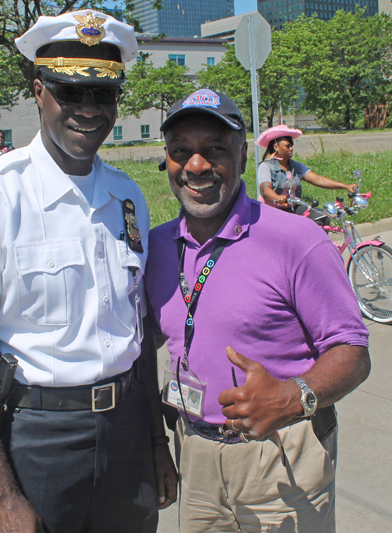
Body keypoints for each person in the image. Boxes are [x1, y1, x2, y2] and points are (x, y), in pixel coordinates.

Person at [0, 10, 177, 533]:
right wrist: (2, 493)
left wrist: (154, 442)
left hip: (126, 430)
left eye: (103, 95)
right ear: (38, 90)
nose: (88, 109)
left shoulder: (128, 196)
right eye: (68, 92)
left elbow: (139, 332)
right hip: (38, 438)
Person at [146, 88, 370, 532]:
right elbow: (137, 350)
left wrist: (294, 395)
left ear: (245, 157)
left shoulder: (297, 241)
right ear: (167, 161)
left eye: (214, 149)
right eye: (181, 152)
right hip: (194, 454)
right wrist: (155, 440)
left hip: (282, 453)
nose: (196, 166)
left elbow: (352, 351)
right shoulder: (155, 246)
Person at [256, 124, 357, 215]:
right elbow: (265, 189)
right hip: (272, 211)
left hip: (292, 208)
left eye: (291, 146)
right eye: (287, 146)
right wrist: (277, 198)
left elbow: (318, 180)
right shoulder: (266, 166)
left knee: (321, 218)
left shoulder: (296, 167)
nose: (291, 148)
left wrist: (345, 186)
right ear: (276, 147)